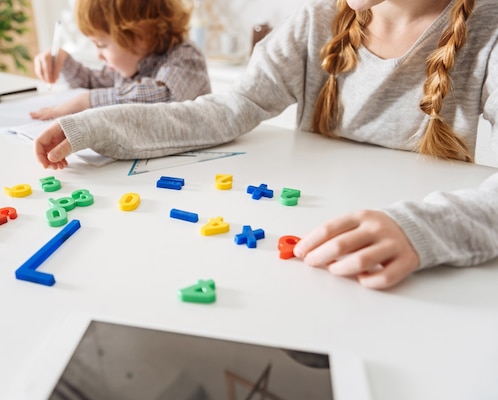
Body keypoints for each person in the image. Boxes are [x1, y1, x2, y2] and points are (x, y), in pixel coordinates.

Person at [33, 0, 498, 290]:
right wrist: (96, 126)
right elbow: (227, 109)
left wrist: (421, 229)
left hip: (407, 274)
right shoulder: (316, 21)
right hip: (300, 244)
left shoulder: (488, 31)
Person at [30, 0, 211, 120]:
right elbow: (92, 82)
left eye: (101, 45)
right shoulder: (130, 66)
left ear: (141, 35)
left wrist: (86, 101)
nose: (98, 55)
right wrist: (64, 61)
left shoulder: (186, 57)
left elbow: (166, 96)